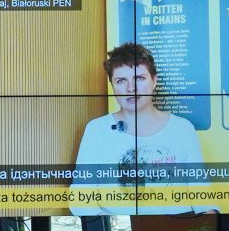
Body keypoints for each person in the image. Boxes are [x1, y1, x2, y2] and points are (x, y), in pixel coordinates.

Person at [72, 42, 206, 216]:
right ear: (112, 85)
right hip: (119, 228)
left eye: (139, 78)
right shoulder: (96, 130)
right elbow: (80, 198)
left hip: (182, 225)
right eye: (121, 81)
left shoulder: (183, 128)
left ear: (154, 80)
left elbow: (203, 195)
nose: (131, 88)